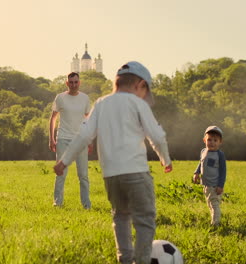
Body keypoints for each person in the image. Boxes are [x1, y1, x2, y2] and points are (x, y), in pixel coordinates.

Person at [54, 61, 172, 264]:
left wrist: (64, 161)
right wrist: (165, 159)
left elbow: (83, 136)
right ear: (139, 84)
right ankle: (143, 260)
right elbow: (157, 136)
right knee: (144, 220)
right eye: (146, 90)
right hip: (136, 172)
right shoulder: (138, 104)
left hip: (111, 176)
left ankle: (125, 260)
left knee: (121, 217)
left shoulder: (101, 103)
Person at [49, 72, 92, 209]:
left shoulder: (85, 98)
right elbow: (53, 118)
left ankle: (86, 205)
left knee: (83, 175)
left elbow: (88, 120)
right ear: (67, 83)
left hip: (80, 141)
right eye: (71, 82)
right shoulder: (60, 98)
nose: (73, 85)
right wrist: (51, 139)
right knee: (60, 173)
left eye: (76, 82)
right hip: (63, 139)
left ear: (79, 83)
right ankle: (57, 203)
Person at [193, 126, 227, 227]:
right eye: (209, 140)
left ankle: (215, 224)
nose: (212, 142)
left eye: (215, 140)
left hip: (215, 186)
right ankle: (214, 220)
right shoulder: (203, 151)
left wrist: (220, 185)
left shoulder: (219, 155)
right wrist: (196, 173)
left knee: (214, 204)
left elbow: (223, 171)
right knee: (209, 204)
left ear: (220, 142)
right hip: (206, 185)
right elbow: (201, 163)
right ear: (204, 140)